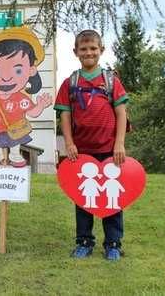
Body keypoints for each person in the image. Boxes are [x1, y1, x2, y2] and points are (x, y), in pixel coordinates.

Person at [54, 29, 129, 261]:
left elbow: (121, 112)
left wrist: (119, 143)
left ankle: (113, 244)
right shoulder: (70, 83)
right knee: (84, 199)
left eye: (93, 49)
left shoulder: (111, 81)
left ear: (101, 51)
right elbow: (64, 117)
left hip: (109, 150)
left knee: (112, 198)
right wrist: (69, 143)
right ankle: (84, 242)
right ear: (76, 52)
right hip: (82, 151)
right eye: (84, 49)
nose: (89, 53)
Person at [0, 26, 53, 168]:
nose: (7, 77)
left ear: (31, 71)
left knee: (15, 143)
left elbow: (32, 112)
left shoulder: (21, 98)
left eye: (18, 70)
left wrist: (40, 106)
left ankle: (15, 155)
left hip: (15, 128)